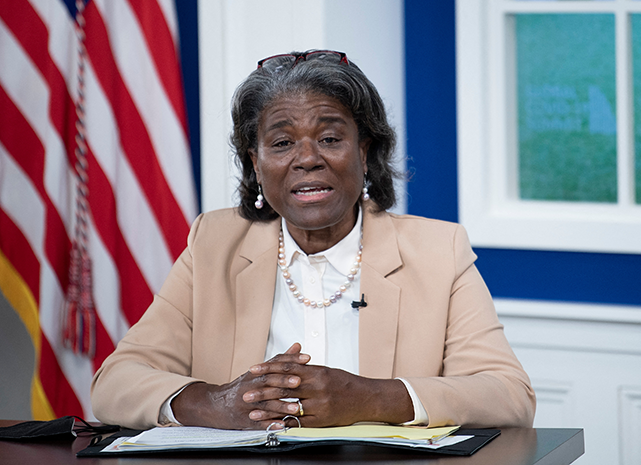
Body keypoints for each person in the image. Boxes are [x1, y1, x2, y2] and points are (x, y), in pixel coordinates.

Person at [91, 50, 535, 430]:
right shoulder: (214, 244)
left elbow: (508, 395)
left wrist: (372, 398)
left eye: (329, 138)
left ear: (363, 151)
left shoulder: (439, 250)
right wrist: (218, 402)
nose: (307, 159)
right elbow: (115, 382)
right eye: (282, 142)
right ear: (256, 162)